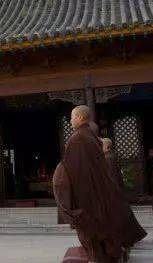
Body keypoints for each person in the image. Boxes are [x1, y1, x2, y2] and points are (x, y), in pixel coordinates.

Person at [53, 105, 133, 262]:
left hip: (87, 200)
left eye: (72, 117)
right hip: (96, 197)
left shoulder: (79, 138)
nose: (70, 121)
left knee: (94, 246)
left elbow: (74, 168)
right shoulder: (91, 137)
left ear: (81, 117)